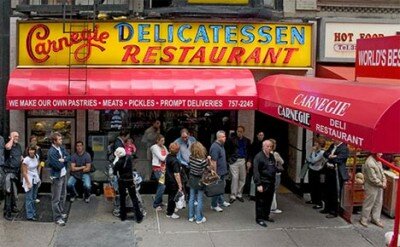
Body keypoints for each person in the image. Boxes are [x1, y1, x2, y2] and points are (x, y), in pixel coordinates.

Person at [113, 147, 143, 223]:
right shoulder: (129, 158)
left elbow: (114, 172)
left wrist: (116, 159)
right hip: (130, 180)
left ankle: (123, 216)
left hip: (122, 181)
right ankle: (139, 217)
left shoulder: (118, 162)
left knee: (122, 199)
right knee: (134, 198)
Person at [321, 140, 349, 218]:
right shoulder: (332, 146)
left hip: (337, 173)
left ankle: (334, 211)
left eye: (334, 138)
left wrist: (332, 157)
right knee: (327, 190)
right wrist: (331, 156)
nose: (333, 140)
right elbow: (325, 153)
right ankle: (327, 208)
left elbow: (339, 159)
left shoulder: (344, 148)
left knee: (335, 192)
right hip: (329, 171)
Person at [253, 140, 277, 227]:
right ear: (263, 146)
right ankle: (259, 218)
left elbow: (274, 166)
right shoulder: (258, 157)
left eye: (270, 146)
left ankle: (266, 215)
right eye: (267, 146)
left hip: (271, 182)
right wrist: (258, 184)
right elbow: (256, 171)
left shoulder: (271, 156)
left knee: (268, 200)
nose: (269, 148)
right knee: (260, 201)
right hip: (263, 182)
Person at [47, 132, 70, 226]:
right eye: (59, 139)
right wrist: (63, 161)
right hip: (57, 176)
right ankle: (57, 218)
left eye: (61, 139)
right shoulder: (51, 152)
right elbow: (57, 165)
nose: (61, 140)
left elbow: (69, 157)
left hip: (63, 175)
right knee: (56, 198)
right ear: (54, 141)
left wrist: (63, 159)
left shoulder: (61, 148)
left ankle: (60, 212)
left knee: (63, 195)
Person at [360, 153, 386, 228]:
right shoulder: (369, 162)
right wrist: (381, 183)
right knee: (369, 202)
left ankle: (375, 218)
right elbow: (372, 178)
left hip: (379, 185)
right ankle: (364, 219)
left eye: (381, 153)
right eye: (379, 153)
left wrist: (384, 181)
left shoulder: (379, 161)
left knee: (378, 202)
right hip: (371, 186)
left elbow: (382, 172)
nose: (381, 154)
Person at [226, 126, 251, 203]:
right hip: (234, 161)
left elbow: (249, 152)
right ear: (236, 132)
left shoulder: (247, 141)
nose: (239, 133)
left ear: (243, 132)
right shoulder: (231, 140)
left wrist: (249, 160)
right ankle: (233, 195)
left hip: (243, 160)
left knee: (242, 178)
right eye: (238, 131)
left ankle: (239, 194)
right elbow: (227, 150)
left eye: (241, 131)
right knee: (235, 178)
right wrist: (229, 160)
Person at [3, 131, 23, 221]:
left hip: (16, 171)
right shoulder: (8, 145)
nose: (17, 138)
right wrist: (11, 139)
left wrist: (21, 159)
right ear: (10, 137)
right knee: (9, 192)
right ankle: (7, 213)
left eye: (17, 136)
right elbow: (7, 147)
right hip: (9, 172)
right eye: (15, 136)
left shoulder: (18, 146)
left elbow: (20, 155)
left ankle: (13, 207)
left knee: (15, 192)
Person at [209, 130, 230, 212]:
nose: (225, 138)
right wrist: (215, 173)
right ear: (219, 137)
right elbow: (214, 161)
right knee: (217, 188)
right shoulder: (215, 147)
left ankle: (221, 201)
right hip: (218, 172)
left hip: (222, 171)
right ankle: (214, 205)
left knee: (221, 187)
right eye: (223, 136)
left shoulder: (221, 145)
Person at [188, 142, 209, 224]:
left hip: (192, 178)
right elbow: (208, 168)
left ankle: (191, 216)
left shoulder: (190, 157)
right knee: (199, 199)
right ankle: (199, 218)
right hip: (200, 180)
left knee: (191, 198)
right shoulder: (202, 161)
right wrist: (209, 160)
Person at [305, 138, 326, 210]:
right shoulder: (316, 151)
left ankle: (319, 202)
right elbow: (309, 158)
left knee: (318, 187)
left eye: (316, 143)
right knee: (311, 185)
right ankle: (313, 199)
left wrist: (313, 151)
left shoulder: (322, 152)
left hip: (318, 171)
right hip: (311, 169)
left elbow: (314, 160)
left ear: (320, 144)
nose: (314, 144)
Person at [22, 146, 41, 221]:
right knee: (29, 198)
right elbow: (24, 172)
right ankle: (29, 215)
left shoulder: (37, 156)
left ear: (35, 151)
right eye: (30, 150)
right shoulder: (26, 160)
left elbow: (38, 165)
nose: (31, 151)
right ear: (28, 151)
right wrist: (28, 183)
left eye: (33, 150)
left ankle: (33, 213)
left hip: (35, 178)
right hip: (29, 178)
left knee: (34, 197)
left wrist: (38, 175)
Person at [165, 142, 183, 219]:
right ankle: (170, 213)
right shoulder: (175, 161)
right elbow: (176, 174)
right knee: (172, 197)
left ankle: (169, 210)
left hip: (168, 179)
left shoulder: (168, 156)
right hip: (173, 181)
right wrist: (180, 185)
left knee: (170, 196)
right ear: (177, 151)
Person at [150, 134, 169, 210]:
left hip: (163, 168)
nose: (163, 142)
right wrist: (168, 155)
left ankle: (159, 202)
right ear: (157, 140)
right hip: (158, 169)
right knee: (162, 185)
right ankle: (156, 204)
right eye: (161, 141)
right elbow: (162, 158)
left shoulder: (163, 147)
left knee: (160, 185)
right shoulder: (155, 147)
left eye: (164, 140)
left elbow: (166, 156)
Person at [247, 131, 265, 200]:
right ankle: (252, 195)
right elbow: (251, 154)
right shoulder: (254, 144)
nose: (261, 136)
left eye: (262, 135)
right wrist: (249, 161)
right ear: (257, 135)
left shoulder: (264, 145)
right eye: (260, 135)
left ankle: (258, 194)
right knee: (253, 179)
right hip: (255, 163)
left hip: (262, 164)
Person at [270, 139, 284, 214]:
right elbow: (282, 161)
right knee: (274, 190)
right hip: (275, 174)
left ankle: (268, 206)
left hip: (268, 174)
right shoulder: (275, 154)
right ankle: (273, 207)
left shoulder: (265, 153)